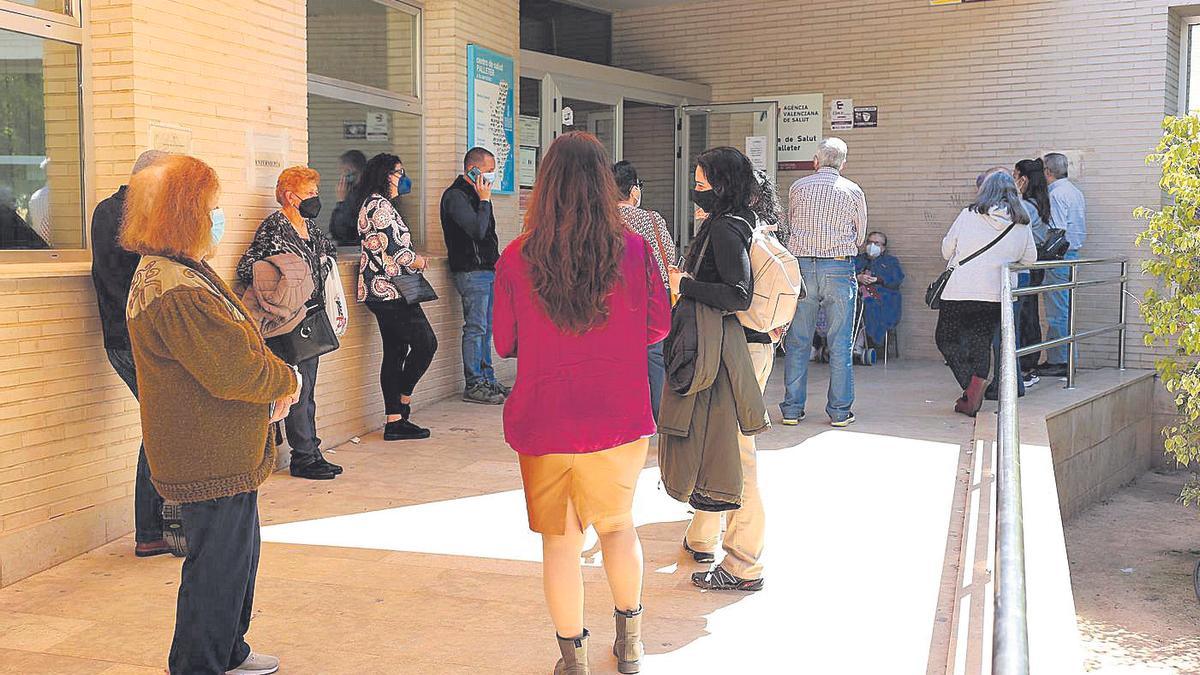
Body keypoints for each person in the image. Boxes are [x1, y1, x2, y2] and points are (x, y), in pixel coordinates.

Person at [494, 132, 670, 675]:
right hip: (619, 416)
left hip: (544, 418)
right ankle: (632, 643)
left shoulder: (517, 256)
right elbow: (658, 325)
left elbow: (504, 341)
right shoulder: (636, 250)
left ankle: (573, 660)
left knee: (559, 544)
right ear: (604, 186)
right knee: (619, 528)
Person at [121, 154, 300, 675]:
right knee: (218, 564)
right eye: (213, 207)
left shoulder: (176, 269)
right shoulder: (175, 287)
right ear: (184, 213)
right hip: (209, 455)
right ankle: (200, 663)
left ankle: (229, 649)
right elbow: (230, 368)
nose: (218, 217)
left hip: (220, 450)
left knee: (235, 559)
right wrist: (286, 380)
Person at [667, 148, 775, 593]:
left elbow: (737, 294)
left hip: (737, 354)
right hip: (734, 350)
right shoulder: (737, 220)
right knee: (717, 445)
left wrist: (685, 285)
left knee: (736, 455)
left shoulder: (728, 229)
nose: (697, 191)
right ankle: (703, 537)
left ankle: (745, 564)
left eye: (703, 184)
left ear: (723, 185)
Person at [237, 166, 342, 480]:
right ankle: (304, 457)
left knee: (306, 390)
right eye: (308, 193)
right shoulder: (275, 226)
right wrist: (284, 284)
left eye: (314, 192)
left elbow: (327, 253)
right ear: (289, 195)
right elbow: (250, 267)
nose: (314, 198)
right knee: (296, 388)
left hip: (310, 316)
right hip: (285, 321)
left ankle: (310, 451)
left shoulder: (309, 226)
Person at [90, 149, 169, 557]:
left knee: (163, 423)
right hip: (139, 337)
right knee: (164, 425)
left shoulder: (108, 209)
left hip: (124, 335)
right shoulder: (139, 216)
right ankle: (153, 528)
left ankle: (157, 526)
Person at [780, 138, 866, 427]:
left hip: (802, 266)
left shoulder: (797, 188)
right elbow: (861, 236)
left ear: (815, 160)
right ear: (843, 163)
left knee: (798, 341)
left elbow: (789, 225)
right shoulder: (853, 190)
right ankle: (840, 412)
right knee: (840, 343)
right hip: (838, 267)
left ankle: (792, 409)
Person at [936, 171, 1037, 417]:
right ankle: (973, 391)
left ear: (985, 190)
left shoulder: (968, 214)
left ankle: (971, 388)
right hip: (996, 294)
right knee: (981, 343)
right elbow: (1030, 259)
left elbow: (947, 249)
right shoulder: (1021, 221)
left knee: (945, 339)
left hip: (960, 291)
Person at [355, 153, 438, 441]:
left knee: (395, 351)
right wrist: (420, 262)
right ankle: (402, 404)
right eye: (398, 172)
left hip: (380, 291)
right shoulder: (380, 207)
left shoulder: (373, 203)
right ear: (384, 174)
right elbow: (399, 253)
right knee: (426, 343)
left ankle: (394, 421)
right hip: (390, 291)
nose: (402, 177)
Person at [441, 147, 507, 406]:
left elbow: (489, 237)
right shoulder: (456, 197)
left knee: (487, 328)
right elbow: (477, 231)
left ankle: (488, 377)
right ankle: (474, 382)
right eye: (489, 171)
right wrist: (484, 200)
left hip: (487, 270)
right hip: (470, 272)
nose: (492, 176)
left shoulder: (477, 196)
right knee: (476, 327)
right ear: (474, 170)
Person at [613, 160, 675, 421]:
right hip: (650, 302)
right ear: (634, 190)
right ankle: (658, 417)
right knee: (654, 359)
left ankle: (623, 414)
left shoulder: (598, 220)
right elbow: (668, 258)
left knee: (617, 360)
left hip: (614, 303)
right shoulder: (651, 219)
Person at [1040, 152, 1086, 377]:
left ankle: (1060, 361)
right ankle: (1062, 358)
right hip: (1073, 255)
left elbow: (1057, 229)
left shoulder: (1055, 194)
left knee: (1057, 310)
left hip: (1060, 256)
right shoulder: (1075, 191)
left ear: (1048, 172)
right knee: (1064, 308)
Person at [854, 231, 904, 350]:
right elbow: (845, 275)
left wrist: (877, 279)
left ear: (883, 248)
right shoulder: (858, 260)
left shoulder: (891, 262)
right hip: (856, 296)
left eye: (876, 243)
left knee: (869, 306)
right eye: (870, 242)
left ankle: (859, 345)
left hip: (883, 299)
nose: (872, 246)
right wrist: (858, 277)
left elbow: (897, 279)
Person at [329, 150, 367, 246]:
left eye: (344, 171)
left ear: (352, 170)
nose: (342, 176)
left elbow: (343, 230)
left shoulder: (360, 195)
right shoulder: (353, 191)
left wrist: (341, 201)